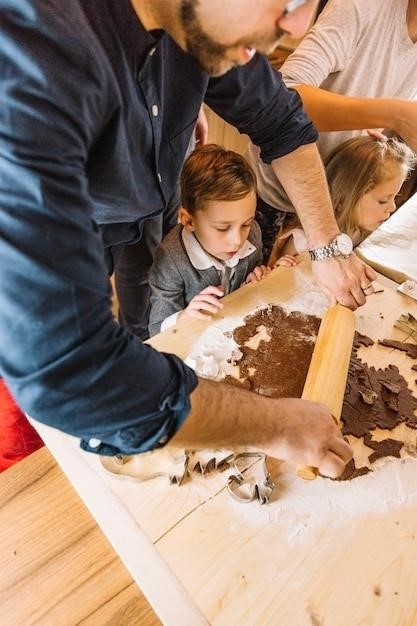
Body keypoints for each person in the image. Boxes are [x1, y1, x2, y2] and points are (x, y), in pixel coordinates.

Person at [0, 0, 359, 480]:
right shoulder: (31, 50)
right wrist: (276, 426)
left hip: (151, 201)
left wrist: (328, 244)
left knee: (138, 313)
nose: (298, 24)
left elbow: (282, 123)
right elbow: (69, 370)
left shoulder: (201, 19)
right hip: (77, 228)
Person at [247, 0, 417, 262]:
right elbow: (283, 99)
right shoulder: (362, 7)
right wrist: (395, 114)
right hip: (274, 198)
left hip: (337, 210)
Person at [148, 145, 270, 336]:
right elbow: (156, 329)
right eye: (222, 228)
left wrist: (258, 276)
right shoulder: (170, 260)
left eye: (246, 223)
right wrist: (185, 316)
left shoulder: (253, 232)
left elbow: (254, 274)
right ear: (189, 220)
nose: (237, 241)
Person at [270, 135, 417, 267]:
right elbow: (276, 285)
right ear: (345, 198)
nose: (392, 207)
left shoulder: (359, 229)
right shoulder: (302, 243)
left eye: (394, 197)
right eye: (383, 200)